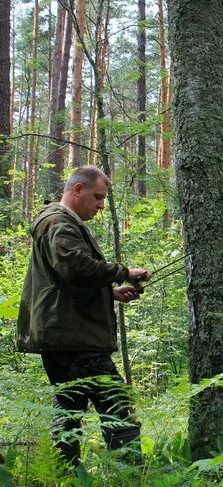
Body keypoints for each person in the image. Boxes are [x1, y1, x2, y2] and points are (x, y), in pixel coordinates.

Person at [16, 166, 152, 466]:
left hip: (64, 334)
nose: (101, 205)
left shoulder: (58, 222)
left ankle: (65, 478)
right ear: (77, 190)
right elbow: (74, 267)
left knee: (69, 410)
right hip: (74, 338)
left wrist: (109, 292)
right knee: (116, 405)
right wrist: (122, 272)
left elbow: (65, 281)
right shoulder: (58, 223)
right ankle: (134, 476)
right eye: (97, 197)